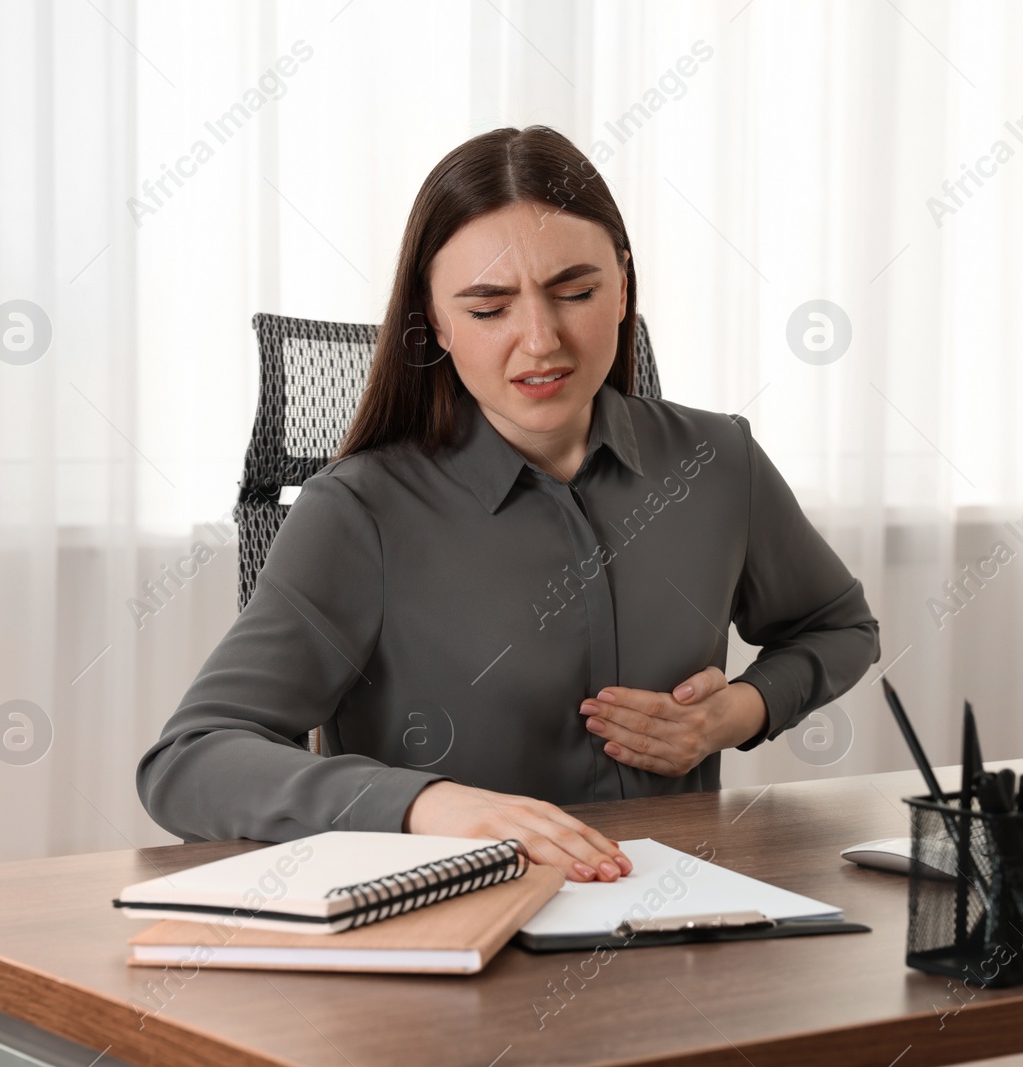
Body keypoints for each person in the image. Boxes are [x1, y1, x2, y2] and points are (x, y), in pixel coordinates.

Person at [137, 125, 880, 884]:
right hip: (455, 945)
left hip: (680, 925)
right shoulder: (359, 511)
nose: (540, 340)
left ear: (623, 286)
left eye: (576, 292)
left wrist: (741, 710)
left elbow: (839, 626)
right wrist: (430, 804)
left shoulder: (717, 462)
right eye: (489, 308)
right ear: (435, 322)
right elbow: (189, 761)